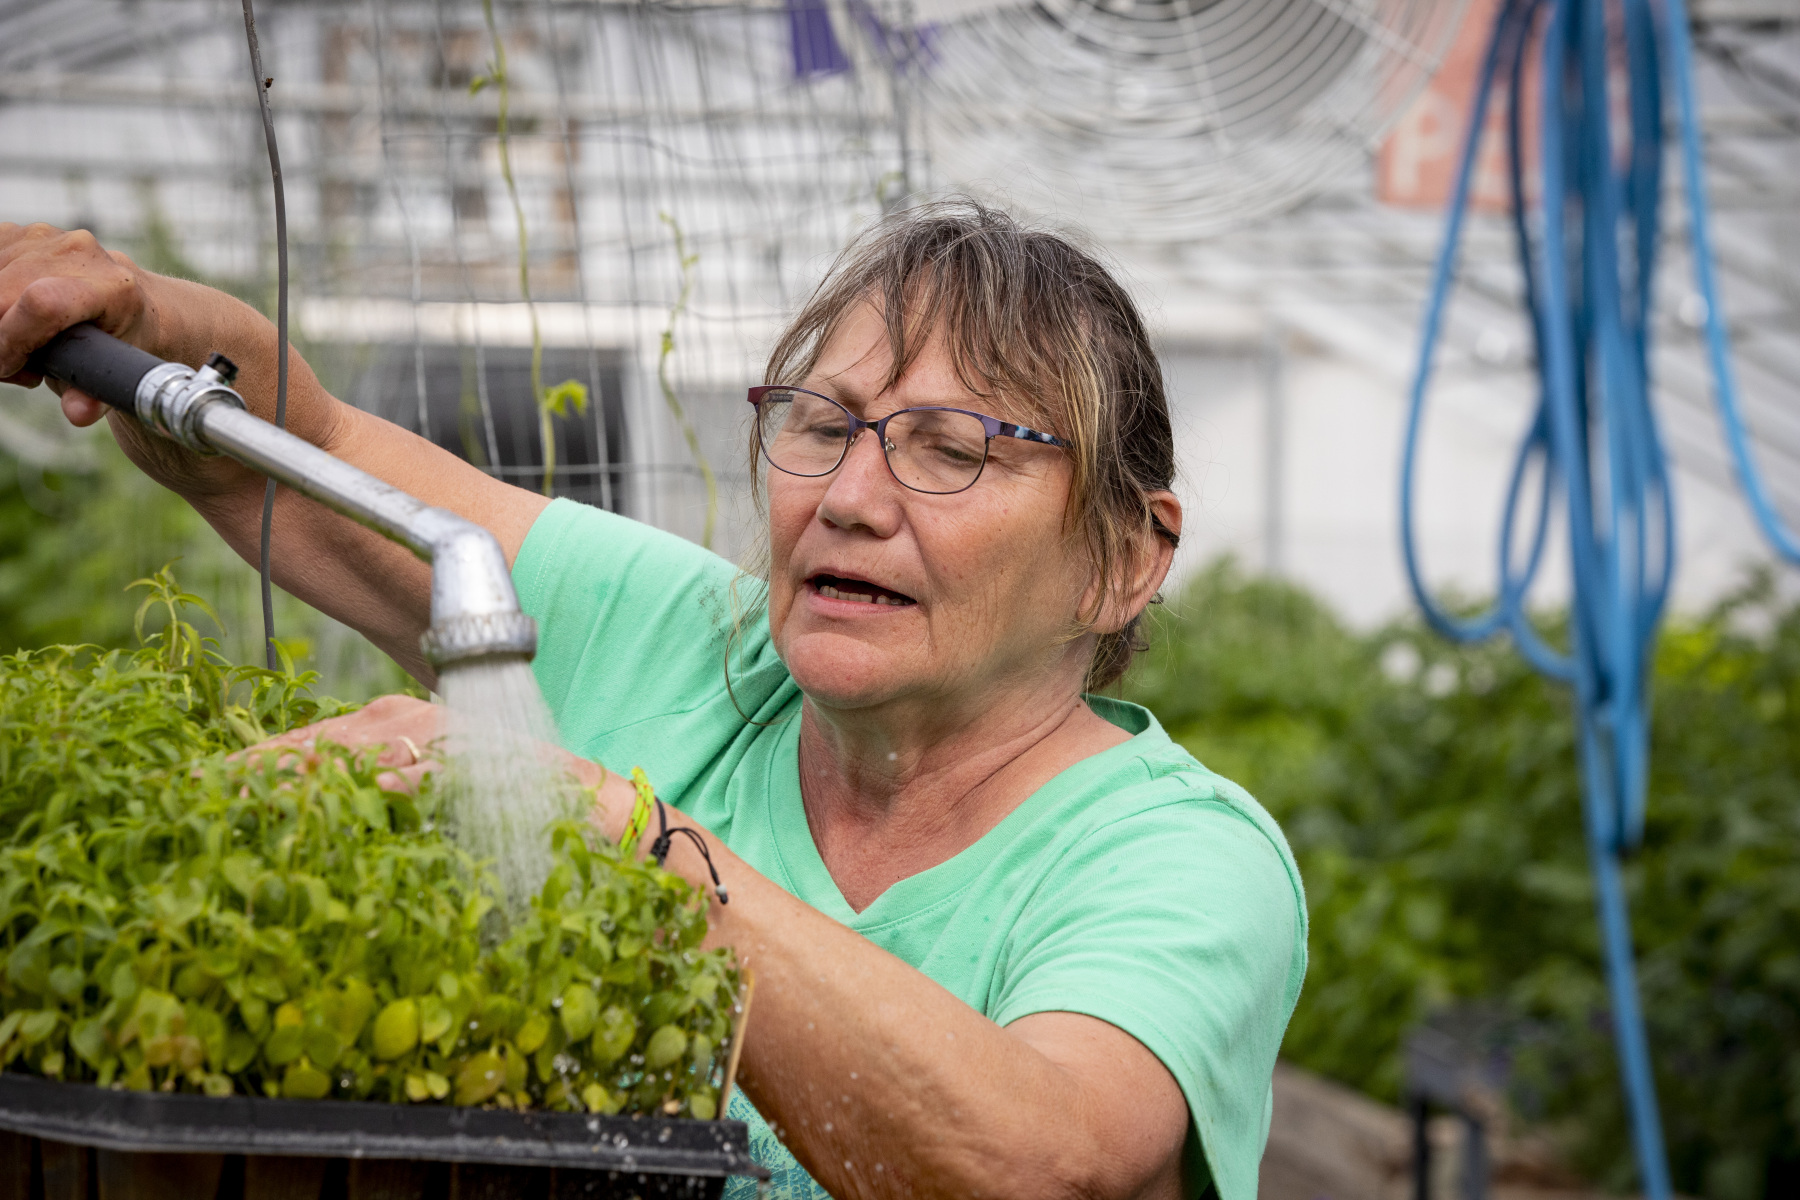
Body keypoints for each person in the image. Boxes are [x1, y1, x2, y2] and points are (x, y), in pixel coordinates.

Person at [0, 203, 1305, 1200]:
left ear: (1126, 558)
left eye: (951, 450)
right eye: (820, 422)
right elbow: (324, 455)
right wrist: (152, 320)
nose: (849, 497)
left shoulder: (1177, 858)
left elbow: (1044, 1164)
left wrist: (622, 849)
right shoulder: (697, 647)